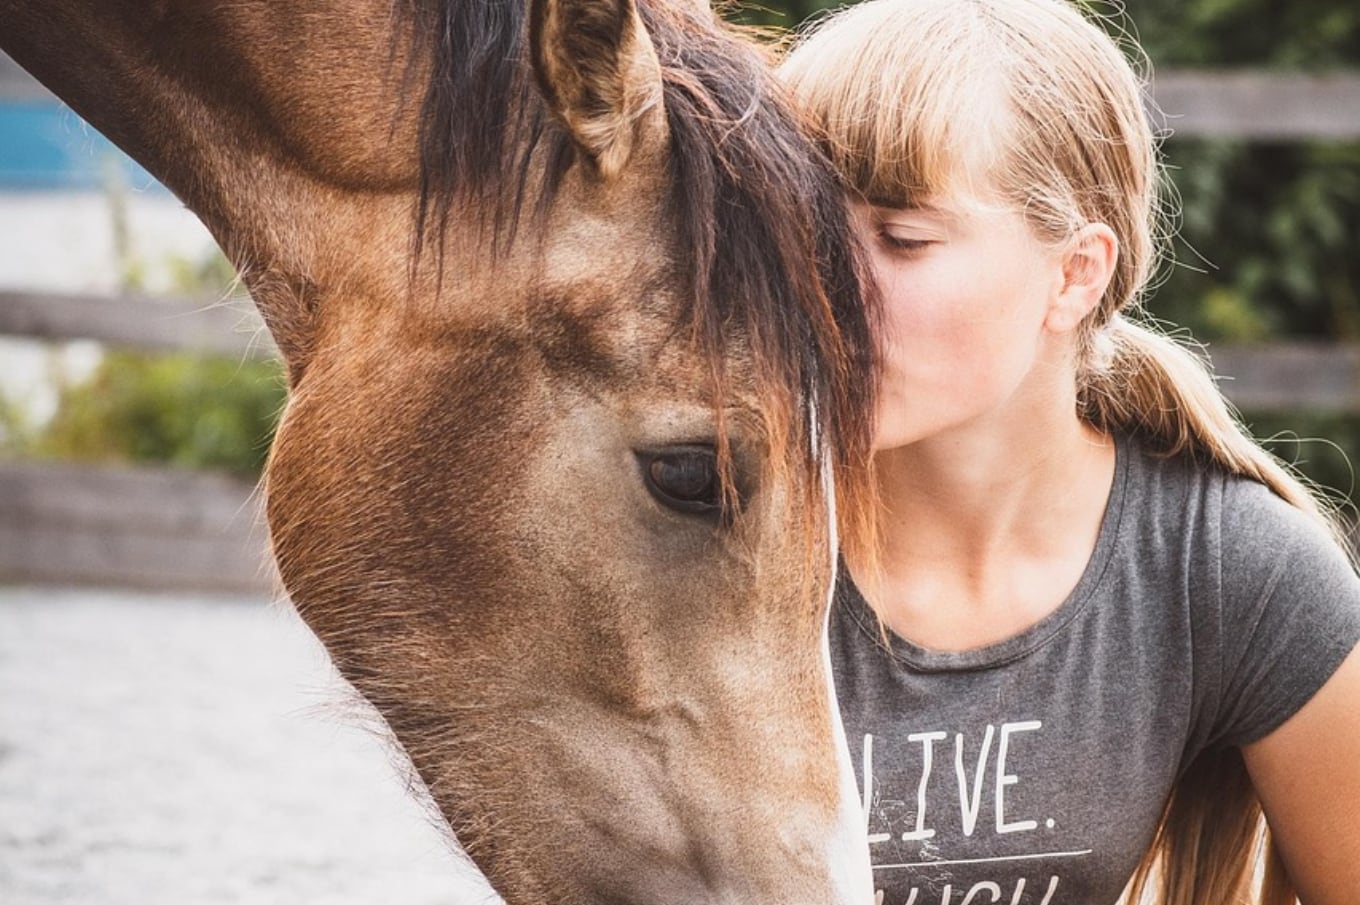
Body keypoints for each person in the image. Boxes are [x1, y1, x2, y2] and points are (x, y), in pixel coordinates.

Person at [777, 1, 1360, 903]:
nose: (822, 288)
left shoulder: (1227, 571)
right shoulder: (715, 538)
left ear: (1075, 272)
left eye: (902, 239)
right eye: (804, 229)